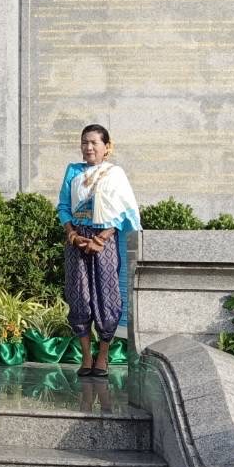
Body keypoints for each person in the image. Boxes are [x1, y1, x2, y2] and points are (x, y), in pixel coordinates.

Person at [56, 125, 141, 377]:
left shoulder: (115, 173)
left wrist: (102, 238)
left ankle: (102, 356)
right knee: (79, 295)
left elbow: (125, 211)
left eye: (94, 142)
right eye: (84, 142)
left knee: (107, 296)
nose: (88, 147)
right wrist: (71, 233)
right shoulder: (73, 171)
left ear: (107, 147)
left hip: (104, 242)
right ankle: (85, 357)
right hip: (77, 240)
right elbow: (63, 206)